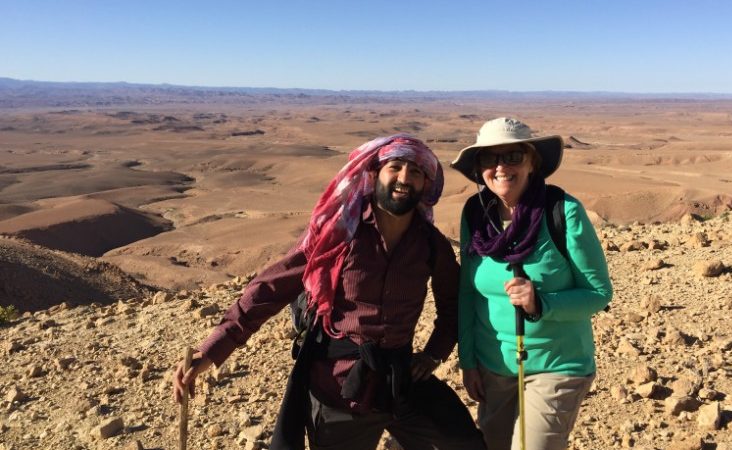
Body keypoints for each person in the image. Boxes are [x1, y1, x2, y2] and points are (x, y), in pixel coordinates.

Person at [173, 135, 486, 450]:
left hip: (400, 381)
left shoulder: (430, 244)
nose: (405, 178)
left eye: (416, 172)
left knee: (465, 442)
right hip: (339, 389)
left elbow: (453, 303)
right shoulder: (339, 234)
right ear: (374, 173)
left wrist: (434, 353)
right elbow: (269, 289)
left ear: (426, 185)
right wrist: (212, 351)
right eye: (396, 167)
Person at [451, 118, 612, 450]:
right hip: (493, 365)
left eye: (512, 156)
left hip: (557, 364)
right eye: (489, 158)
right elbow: (467, 293)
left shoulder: (561, 211)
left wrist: (542, 303)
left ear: (532, 162)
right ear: (478, 167)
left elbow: (598, 293)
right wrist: (468, 362)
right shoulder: (475, 214)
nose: (500, 167)